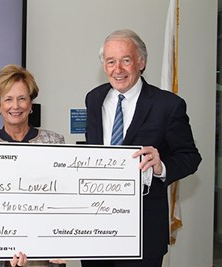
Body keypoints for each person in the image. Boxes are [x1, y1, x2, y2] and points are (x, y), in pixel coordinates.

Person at [81, 29, 202, 267]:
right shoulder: (94, 99)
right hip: (95, 229)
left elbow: (190, 157)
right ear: (104, 66)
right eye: (111, 61)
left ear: (141, 62)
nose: (118, 69)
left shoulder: (168, 105)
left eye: (126, 60)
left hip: (143, 232)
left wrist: (161, 167)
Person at [0, 64, 66, 267]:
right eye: (7, 99)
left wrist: (64, 243)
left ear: (31, 103)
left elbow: (63, 201)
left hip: (44, 254)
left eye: (22, 98)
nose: (15, 106)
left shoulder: (55, 142)